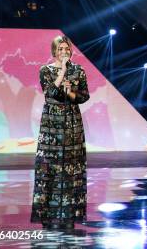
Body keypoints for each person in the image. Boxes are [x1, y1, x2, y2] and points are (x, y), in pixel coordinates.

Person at [31, 35, 90, 230]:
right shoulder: (45, 70)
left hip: (72, 121)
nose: (64, 51)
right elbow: (49, 92)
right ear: (54, 50)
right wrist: (62, 72)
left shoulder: (79, 70)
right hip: (51, 122)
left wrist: (71, 91)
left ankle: (70, 211)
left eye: (67, 48)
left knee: (72, 164)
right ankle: (48, 211)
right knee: (50, 164)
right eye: (60, 48)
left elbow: (83, 96)